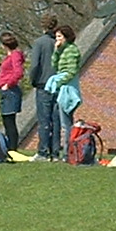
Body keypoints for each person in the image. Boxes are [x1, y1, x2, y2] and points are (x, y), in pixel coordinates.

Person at [29, 15, 59, 160]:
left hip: (43, 84)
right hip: (58, 84)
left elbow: (35, 64)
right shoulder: (59, 43)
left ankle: (43, 151)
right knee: (56, 119)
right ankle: (55, 151)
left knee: (44, 120)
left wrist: (33, 80)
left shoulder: (39, 43)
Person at [49, 24, 81, 154]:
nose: (57, 39)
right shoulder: (63, 51)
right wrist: (56, 51)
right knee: (65, 121)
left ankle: (68, 151)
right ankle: (69, 150)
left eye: (59, 36)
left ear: (66, 37)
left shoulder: (72, 50)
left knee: (66, 122)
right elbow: (54, 66)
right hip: (63, 87)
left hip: (68, 88)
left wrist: (59, 81)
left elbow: (71, 71)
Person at [0, 32, 23, 152]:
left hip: (10, 91)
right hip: (5, 90)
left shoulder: (15, 55)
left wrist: (8, 84)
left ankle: (12, 148)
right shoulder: (9, 56)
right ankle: (8, 147)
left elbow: (18, 72)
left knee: (9, 120)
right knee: (6, 120)